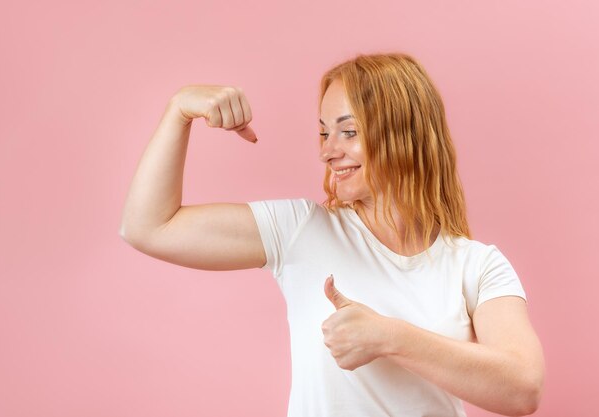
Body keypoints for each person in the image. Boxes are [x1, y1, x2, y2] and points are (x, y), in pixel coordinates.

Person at [119, 52, 545, 417]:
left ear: (403, 133)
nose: (327, 150)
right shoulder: (301, 230)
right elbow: (149, 227)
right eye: (324, 132)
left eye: (348, 131)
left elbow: (523, 387)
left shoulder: (477, 264)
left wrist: (388, 336)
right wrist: (179, 111)